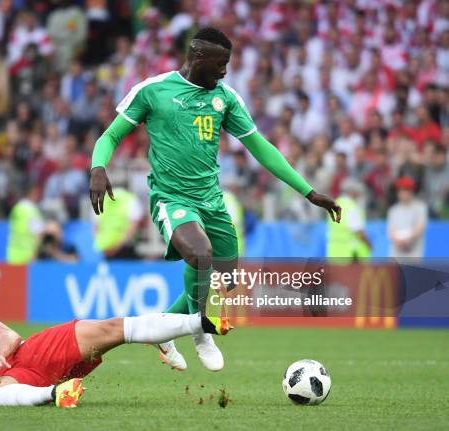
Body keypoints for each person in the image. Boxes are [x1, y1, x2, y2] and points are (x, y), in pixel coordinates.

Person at [89, 28, 341, 372]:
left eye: (228, 64)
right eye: (220, 63)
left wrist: (308, 191)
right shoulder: (153, 91)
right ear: (197, 55)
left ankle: (163, 329)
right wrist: (98, 167)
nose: (224, 71)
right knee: (200, 253)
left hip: (212, 202)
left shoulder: (226, 98)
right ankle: (198, 331)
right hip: (172, 197)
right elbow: (111, 134)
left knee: (226, 277)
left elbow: (262, 149)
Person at [0, 296, 230, 406]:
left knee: (108, 328)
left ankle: (201, 323)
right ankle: (56, 394)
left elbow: (8, 336)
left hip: (29, 355)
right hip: (12, 383)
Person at [326, 178, 372, 261]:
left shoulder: (334, 204)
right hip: (351, 255)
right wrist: (369, 244)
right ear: (352, 192)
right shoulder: (351, 206)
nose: (358, 194)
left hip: (334, 253)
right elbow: (358, 231)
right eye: (357, 191)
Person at [92, 187, 143, 259]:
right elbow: (134, 225)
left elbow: (96, 228)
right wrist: (117, 245)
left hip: (108, 247)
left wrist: (104, 246)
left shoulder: (100, 200)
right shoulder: (130, 199)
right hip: (124, 247)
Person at [388, 176, 428, 260]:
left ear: (411, 191)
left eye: (406, 190)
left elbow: (420, 227)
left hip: (413, 253)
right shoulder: (393, 210)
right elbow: (391, 231)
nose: (404, 193)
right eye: (401, 190)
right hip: (396, 254)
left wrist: (408, 239)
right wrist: (398, 242)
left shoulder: (420, 208)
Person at [6, 183, 43, 264]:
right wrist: (35, 253)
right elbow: (39, 234)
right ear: (32, 193)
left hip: (13, 254)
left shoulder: (16, 208)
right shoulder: (31, 211)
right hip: (27, 256)